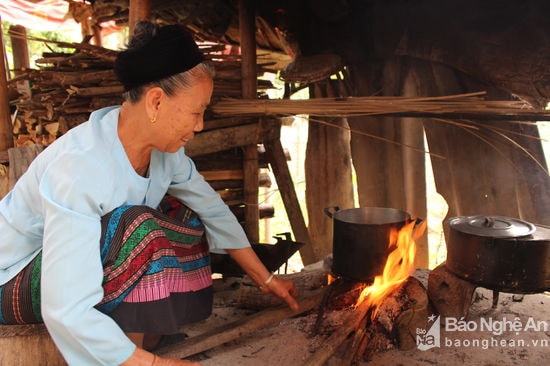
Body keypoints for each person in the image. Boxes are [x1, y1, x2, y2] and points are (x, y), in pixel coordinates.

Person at [0, 21, 299, 365]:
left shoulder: (166, 155)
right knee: (137, 225)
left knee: (185, 215)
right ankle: (134, 356)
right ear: (156, 102)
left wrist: (267, 278)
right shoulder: (79, 169)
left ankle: (142, 336)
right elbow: (63, 305)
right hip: (12, 280)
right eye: (195, 112)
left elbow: (213, 209)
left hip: (74, 275)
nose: (199, 125)